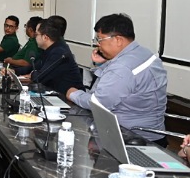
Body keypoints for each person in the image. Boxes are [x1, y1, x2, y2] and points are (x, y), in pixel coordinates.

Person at [66, 13, 168, 145]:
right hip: (155, 134)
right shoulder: (143, 53)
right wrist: (102, 64)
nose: (98, 45)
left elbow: (97, 103)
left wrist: (73, 94)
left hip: (133, 139)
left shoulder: (122, 67)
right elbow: (110, 83)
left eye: (100, 39)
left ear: (118, 40)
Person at [28, 18, 84, 94]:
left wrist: (32, 73)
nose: (35, 37)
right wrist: (15, 71)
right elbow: (36, 66)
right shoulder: (50, 49)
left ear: (45, 37)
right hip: (57, 94)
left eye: (36, 34)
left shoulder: (58, 52)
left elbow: (38, 77)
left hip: (70, 98)